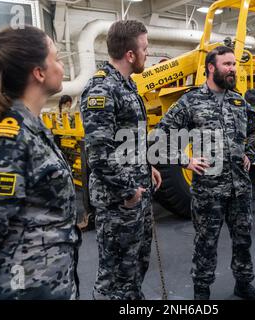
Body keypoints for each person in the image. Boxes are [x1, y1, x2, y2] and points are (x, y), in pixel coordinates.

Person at [0, 26, 81, 300]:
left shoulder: (31, 128)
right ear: (39, 72)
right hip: (21, 288)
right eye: (57, 58)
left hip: (46, 284)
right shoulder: (9, 137)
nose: (62, 66)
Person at [154, 46, 255, 300]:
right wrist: (185, 160)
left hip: (240, 187)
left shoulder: (239, 101)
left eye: (234, 64)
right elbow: (161, 135)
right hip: (208, 191)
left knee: (243, 239)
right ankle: (201, 292)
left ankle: (243, 284)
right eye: (227, 64)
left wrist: (251, 153)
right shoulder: (191, 101)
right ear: (211, 68)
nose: (233, 69)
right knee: (206, 243)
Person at [80, 20, 162, 300]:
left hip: (136, 193)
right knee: (114, 276)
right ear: (130, 54)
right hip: (119, 201)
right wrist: (129, 191)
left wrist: (147, 166)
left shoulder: (128, 85)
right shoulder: (102, 89)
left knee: (136, 267)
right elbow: (99, 154)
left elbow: (130, 139)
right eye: (145, 49)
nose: (146, 54)